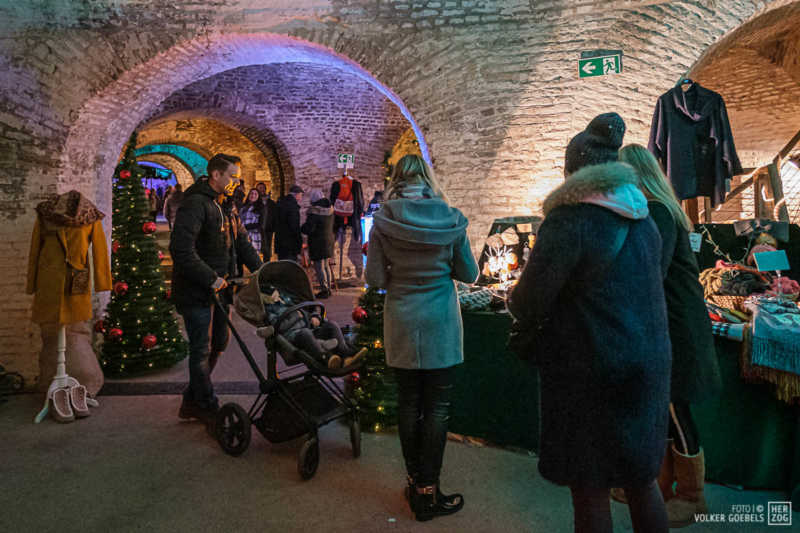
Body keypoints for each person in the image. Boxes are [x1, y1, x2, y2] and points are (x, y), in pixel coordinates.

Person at [507, 113, 671, 533]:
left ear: (574, 172)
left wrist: (515, 297)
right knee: (641, 481)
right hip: (647, 363)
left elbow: (528, 301)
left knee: (590, 485)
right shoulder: (645, 219)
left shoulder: (570, 221)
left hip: (592, 369)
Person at [366, 154, 478, 522]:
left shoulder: (384, 221)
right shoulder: (451, 218)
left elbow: (375, 279)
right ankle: (429, 491)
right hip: (441, 320)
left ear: (396, 180)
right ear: (428, 179)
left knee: (408, 403)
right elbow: (469, 274)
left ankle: (415, 484)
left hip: (402, 318)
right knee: (438, 407)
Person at [618, 143, 722, 527]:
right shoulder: (659, 210)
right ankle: (659, 484)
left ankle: (693, 496)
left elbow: (650, 272)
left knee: (676, 409)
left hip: (676, 326)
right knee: (663, 407)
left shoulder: (658, 212)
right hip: (669, 323)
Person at [169, 153, 262, 426]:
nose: (236, 182)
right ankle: (206, 405)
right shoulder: (196, 204)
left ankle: (192, 399)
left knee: (220, 342)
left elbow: (242, 243)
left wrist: (263, 271)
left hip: (222, 290)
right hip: (197, 290)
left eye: (237, 177)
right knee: (201, 348)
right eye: (232, 176)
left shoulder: (226, 205)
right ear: (216, 174)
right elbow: (181, 250)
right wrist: (210, 278)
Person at [260, 283, 366, 369]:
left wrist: (315, 317)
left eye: (277, 293)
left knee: (331, 325)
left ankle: (346, 354)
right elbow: (279, 327)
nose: (277, 295)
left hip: (310, 329)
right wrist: (296, 317)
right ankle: (325, 358)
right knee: (305, 333)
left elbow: (307, 309)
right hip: (294, 338)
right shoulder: (270, 310)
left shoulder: (289, 300)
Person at [301, 188, 334, 299]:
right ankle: (328, 288)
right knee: (326, 265)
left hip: (318, 242)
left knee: (319, 267)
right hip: (328, 240)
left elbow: (309, 228)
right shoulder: (330, 209)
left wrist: (302, 228)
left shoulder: (314, 211)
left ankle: (324, 290)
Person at [275, 184, 303, 261]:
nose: (301, 197)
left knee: (282, 263)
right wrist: (299, 241)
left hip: (280, 241)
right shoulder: (292, 206)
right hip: (290, 243)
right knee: (290, 264)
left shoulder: (281, 203)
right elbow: (294, 225)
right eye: (301, 195)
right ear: (296, 194)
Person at [239, 188, 267, 258]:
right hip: (243, 235)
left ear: (258, 196)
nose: (253, 195)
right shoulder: (243, 207)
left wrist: (246, 227)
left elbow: (261, 224)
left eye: (255, 194)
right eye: (251, 193)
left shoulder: (261, 207)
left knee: (252, 257)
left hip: (254, 236)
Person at [256, 182, 277, 259]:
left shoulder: (271, 203)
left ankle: (267, 264)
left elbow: (275, 215)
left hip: (268, 229)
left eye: (262, 188)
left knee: (267, 248)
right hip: (257, 229)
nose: (261, 190)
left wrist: (273, 227)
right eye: (259, 188)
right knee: (257, 248)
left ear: (265, 189)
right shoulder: (255, 202)